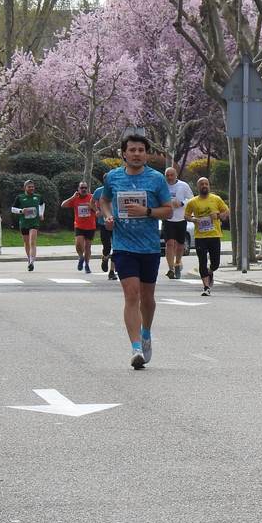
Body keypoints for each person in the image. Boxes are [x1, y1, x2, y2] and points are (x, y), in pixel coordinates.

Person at [99, 131, 173, 369]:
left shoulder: (157, 179)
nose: (137, 154)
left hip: (149, 247)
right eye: (132, 150)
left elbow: (168, 210)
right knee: (132, 295)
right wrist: (109, 217)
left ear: (147, 154)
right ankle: (135, 348)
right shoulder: (113, 177)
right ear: (124, 154)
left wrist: (147, 212)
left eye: (141, 150)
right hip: (123, 246)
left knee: (147, 299)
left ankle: (146, 333)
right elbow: (104, 200)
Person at [184, 177, 229, 296]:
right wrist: (193, 219)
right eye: (201, 184)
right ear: (198, 187)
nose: (204, 186)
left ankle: (211, 271)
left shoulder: (216, 199)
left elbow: (226, 213)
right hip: (200, 237)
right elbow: (186, 216)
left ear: (209, 186)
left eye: (206, 184)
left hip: (214, 235)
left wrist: (218, 215)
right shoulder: (192, 202)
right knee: (202, 261)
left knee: (215, 263)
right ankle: (206, 287)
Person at [161, 166, 193, 279]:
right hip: (168, 219)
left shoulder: (183, 186)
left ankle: (178, 262)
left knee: (180, 245)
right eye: (167, 175)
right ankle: (171, 269)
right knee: (169, 244)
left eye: (171, 175)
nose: (169, 177)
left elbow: (191, 199)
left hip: (181, 219)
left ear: (176, 175)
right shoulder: (162, 186)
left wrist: (182, 203)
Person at [60, 180, 97, 273]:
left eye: (85, 188)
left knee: (88, 247)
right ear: (78, 189)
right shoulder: (75, 198)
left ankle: (87, 265)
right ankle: (81, 257)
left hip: (90, 226)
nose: (83, 189)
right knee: (78, 244)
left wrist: (92, 207)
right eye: (82, 188)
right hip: (79, 225)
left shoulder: (92, 197)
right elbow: (63, 205)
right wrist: (72, 197)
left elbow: (98, 211)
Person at [11, 179, 44, 271]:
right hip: (24, 222)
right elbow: (13, 209)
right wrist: (21, 211)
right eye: (29, 187)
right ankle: (29, 259)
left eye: (32, 187)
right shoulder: (20, 197)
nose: (31, 188)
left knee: (32, 242)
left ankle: (32, 262)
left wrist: (41, 213)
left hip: (34, 222)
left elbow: (42, 204)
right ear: (25, 188)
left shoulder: (38, 197)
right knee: (26, 243)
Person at [92, 184, 117, 280]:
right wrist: (96, 211)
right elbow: (92, 202)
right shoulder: (99, 191)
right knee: (107, 246)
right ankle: (105, 258)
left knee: (116, 248)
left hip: (116, 223)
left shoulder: (116, 191)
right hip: (103, 223)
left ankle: (112, 271)